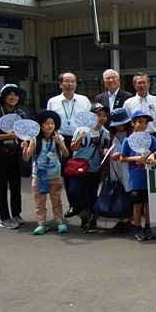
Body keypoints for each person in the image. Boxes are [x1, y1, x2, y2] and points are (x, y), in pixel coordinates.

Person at [46, 72, 92, 218]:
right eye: (67, 81)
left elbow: (91, 119)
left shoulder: (83, 100)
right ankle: (74, 205)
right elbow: (49, 121)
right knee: (67, 172)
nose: (70, 84)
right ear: (60, 84)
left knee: (84, 170)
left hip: (81, 138)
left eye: (73, 81)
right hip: (62, 139)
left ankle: (86, 204)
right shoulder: (53, 101)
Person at [0, 84, 27, 229]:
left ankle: (16, 214)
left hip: (15, 154)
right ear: (3, 97)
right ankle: (4, 218)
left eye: (16, 95)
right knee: (1, 187)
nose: (13, 97)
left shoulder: (20, 114)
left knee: (16, 186)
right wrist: (6, 135)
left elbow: (24, 134)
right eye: (10, 94)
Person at [21, 110, 70, 235]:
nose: (50, 126)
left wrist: (60, 143)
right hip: (39, 176)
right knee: (40, 202)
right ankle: (42, 223)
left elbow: (66, 154)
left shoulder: (59, 138)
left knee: (56, 200)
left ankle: (60, 221)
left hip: (55, 175)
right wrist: (24, 148)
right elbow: (26, 158)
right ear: (40, 126)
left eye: (52, 123)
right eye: (47, 123)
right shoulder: (34, 140)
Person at [120, 110, 156, 241]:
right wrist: (134, 158)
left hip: (149, 178)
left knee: (148, 204)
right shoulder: (127, 140)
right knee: (138, 205)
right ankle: (138, 227)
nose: (143, 125)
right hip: (136, 179)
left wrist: (153, 155)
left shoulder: (150, 138)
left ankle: (148, 227)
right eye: (140, 122)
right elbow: (122, 158)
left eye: (146, 123)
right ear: (132, 123)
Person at [68, 103, 110, 234]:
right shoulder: (81, 130)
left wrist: (104, 170)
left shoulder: (105, 133)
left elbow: (106, 154)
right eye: (98, 115)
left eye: (104, 115)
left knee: (92, 195)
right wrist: (80, 138)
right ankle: (84, 213)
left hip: (95, 169)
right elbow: (73, 148)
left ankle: (91, 221)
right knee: (73, 191)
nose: (102, 118)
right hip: (78, 167)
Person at [105, 108, 134, 234]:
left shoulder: (131, 133)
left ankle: (131, 219)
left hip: (127, 166)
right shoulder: (111, 134)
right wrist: (106, 151)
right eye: (116, 124)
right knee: (118, 190)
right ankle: (121, 218)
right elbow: (108, 146)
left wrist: (120, 154)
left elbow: (134, 150)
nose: (119, 126)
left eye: (121, 124)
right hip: (114, 166)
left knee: (128, 192)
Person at [122, 73, 156, 142]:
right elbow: (126, 124)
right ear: (134, 85)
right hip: (135, 137)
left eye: (144, 83)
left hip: (153, 136)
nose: (142, 85)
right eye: (139, 83)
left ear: (149, 84)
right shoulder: (128, 103)